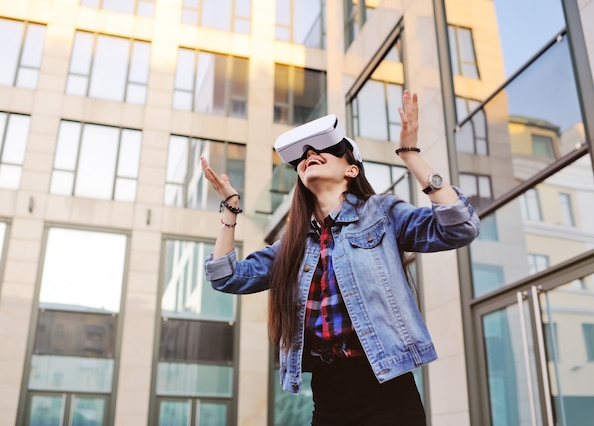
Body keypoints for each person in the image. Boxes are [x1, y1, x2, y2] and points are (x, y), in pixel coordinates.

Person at [201, 90, 480, 425]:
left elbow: (459, 228)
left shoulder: (381, 213)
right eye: (302, 158)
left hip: (385, 387)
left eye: (325, 150)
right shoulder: (292, 244)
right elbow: (225, 276)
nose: (309, 155)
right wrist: (230, 208)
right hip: (328, 394)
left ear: (351, 169)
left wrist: (411, 155)